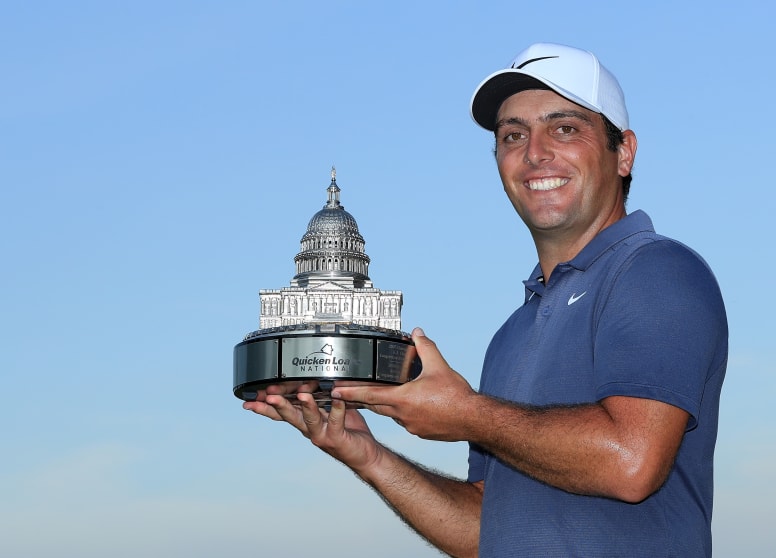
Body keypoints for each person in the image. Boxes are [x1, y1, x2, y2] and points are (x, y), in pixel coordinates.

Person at [244, 42, 728, 557]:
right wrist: (366, 455)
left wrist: (467, 413)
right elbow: (485, 530)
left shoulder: (655, 270)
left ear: (624, 151)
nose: (535, 152)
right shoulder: (511, 333)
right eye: (513, 135)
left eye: (564, 128)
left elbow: (632, 462)